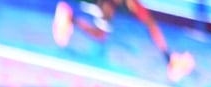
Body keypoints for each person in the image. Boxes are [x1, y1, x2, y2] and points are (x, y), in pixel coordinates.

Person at [52, 0, 195, 82]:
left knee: (101, 35)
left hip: (114, 6)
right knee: (101, 34)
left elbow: (150, 24)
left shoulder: (127, 5)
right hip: (105, 5)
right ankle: (69, 16)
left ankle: (170, 60)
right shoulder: (108, 6)